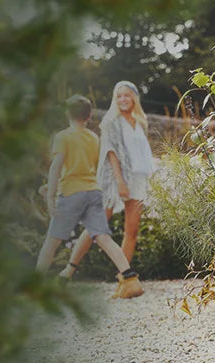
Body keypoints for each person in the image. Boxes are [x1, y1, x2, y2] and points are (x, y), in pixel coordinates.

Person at [38, 95, 145, 299]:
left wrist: (51, 195)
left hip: (70, 193)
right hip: (93, 192)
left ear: (67, 114)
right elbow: (89, 168)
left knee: (52, 242)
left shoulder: (63, 137)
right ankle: (130, 278)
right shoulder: (93, 138)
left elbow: (57, 167)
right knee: (103, 237)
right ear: (88, 117)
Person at [58, 81, 156, 279]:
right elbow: (111, 153)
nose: (122, 100)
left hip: (137, 178)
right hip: (115, 179)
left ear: (134, 98)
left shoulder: (141, 123)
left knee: (132, 230)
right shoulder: (112, 122)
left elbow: (142, 154)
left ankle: (124, 279)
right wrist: (120, 182)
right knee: (97, 225)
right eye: (118, 96)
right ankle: (69, 269)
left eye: (126, 95)